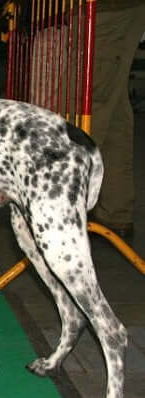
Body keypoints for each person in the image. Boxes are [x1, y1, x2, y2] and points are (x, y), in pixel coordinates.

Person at [90, 0, 145, 238]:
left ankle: (66, 206)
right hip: (114, 9)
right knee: (113, 110)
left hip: (106, 9)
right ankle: (116, 210)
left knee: (90, 107)